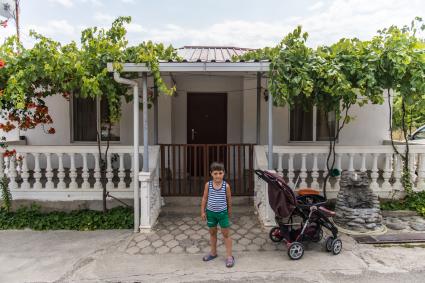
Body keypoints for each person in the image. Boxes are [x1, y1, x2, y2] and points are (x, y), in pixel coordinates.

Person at [201, 162, 234, 268]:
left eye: (220, 173)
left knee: (226, 234)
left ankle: (229, 256)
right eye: (215, 173)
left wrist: (229, 210)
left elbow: (229, 199)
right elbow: (204, 198)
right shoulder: (208, 185)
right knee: (212, 232)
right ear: (211, 174)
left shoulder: (226, 186)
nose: (218, 176)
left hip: (223, 213)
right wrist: (202, 211)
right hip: (210, 213)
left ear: (223, 173)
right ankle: (213, 253)